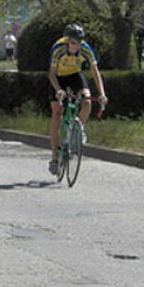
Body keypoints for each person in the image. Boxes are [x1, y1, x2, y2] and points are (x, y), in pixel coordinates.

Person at [47, 23, 108, 176]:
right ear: (67, 41)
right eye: (74, 43)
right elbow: (51, 74)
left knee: (87, 101)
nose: (76, 46)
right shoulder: (58, 49)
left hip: (75, 75)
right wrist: (58, 90)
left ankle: (77, 130)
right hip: (58, 78)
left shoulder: (86, 49)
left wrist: (101, 94)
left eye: (79, 42)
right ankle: (54, 157)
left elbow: (95, 73)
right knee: (57, 112)